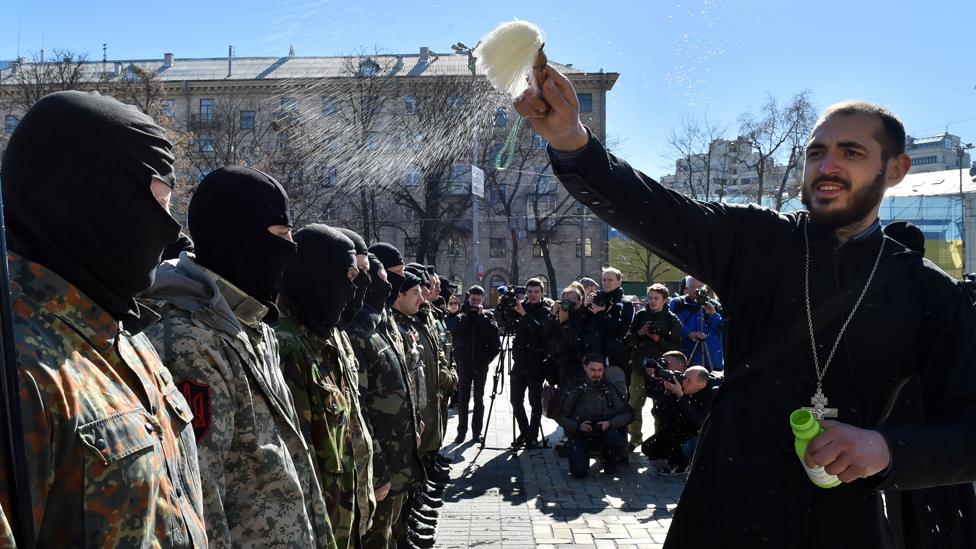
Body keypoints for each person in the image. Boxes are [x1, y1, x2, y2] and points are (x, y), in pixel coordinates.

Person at [516, 66, 976, 547]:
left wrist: (884, 449)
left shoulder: (929, 291)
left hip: (846, 518)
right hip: (728, 503)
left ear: (896, 169)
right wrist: (574, 143)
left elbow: (969, 431)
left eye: (851, 152)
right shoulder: (759, 241)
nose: (827, 165)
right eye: (816, 152)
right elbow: (653, 208)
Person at [0, 90, 206, 547]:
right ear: (95, 198)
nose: (172, 230)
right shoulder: (18, 364)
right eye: (160, 202)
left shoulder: (121, 335)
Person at [142, 166, 334, 547]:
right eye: (281, 237)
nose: (290, 250)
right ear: (239, 239)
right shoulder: (189, 343)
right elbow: (201, 504)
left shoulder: (254, 325)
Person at [276, 225, 376, 549]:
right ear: (316, 275)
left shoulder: (323, 338)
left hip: (342, 525)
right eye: (347, 278)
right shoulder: (286, 347)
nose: (352, 293)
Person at [349, 246, 427, 549]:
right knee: (376, 536)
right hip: (380, 463)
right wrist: (378, 469)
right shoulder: (359, 332)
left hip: (397, 453)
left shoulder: (378, 324)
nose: (386, 287)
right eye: (382, 279)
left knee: (390, 526)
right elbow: (361, 410)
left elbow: (403, 380)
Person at [556, 355, 634, 478]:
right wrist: (577, 426)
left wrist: (610, 423)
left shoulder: (609, 387)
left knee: (614, 437)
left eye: (600, 370)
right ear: (585, 367)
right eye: (593, 370)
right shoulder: (575, 388)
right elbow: (560, 416)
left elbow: (628, 414)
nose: (596, 374)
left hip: (605, 432)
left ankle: (609, 461)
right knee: (578, 472)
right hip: (581, 434)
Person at [626, 283, 683, 449]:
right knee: (634, 404)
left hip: (661, 370)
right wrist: (640, 333)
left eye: (656, 298)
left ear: (664, 300)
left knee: (660, 407)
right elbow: (629, 340)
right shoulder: (641, 315)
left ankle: (660, 439)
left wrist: (658, 339)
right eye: (650, 297)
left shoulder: (672, 319)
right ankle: (635, 438)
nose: (652, 301)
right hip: (639, 367)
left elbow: (677, 348)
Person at [450, 286, 501, 444]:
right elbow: (458, 336)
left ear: (483, 300)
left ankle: (476, 432)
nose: (475, 303)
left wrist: (480, 317)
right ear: (468, 299)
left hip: (480, 364)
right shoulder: (462, 316)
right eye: (473, 300)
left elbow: (494, 340)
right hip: (464, 364)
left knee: (479, 399)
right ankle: (461, 431)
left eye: (478, 301)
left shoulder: (488, 316)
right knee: (463, 399)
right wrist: (464, 316)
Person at [640, 366, 716, 473]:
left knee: (687, 448)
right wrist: (669, 393)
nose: (684, 382)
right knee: (648, 447)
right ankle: (676, 457)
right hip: (682, 431)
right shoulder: (684, 389)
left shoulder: (712, 394)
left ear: (702, 384)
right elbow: (657, 413)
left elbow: (700, 423)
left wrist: (681, 396)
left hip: (702, 434)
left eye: (688, 380)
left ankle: (687, 463)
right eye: (684, 378)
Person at [510, 278, 553, 448]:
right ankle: (525, 432)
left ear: (542, 293)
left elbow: (541, 331)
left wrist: (524, 315)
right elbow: (505, 322)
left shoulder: (546, 310)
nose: (533, 295)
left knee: (535, 402)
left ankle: (533, 436)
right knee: (515, 400)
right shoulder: (520, 306)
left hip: (537, 361)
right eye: (529, 292)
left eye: (536, 292)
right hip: (520, 360)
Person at [582, 267, 635, 379]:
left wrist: (602, 314)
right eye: (604, 280)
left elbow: (622, 331)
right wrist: (584, 307)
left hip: (615, 358)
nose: (606, 283)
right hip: (594, 355)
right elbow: (583, 326)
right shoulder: (595, 300)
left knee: (615, 391)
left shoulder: (625, 303)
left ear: (619, 281)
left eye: (610, 280)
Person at [668, 277, 725, 371]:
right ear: (687, 288)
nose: (697, 290)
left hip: (711, 358)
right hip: (688, 357)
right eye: (693, 286)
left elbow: (722, 328)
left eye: (700, 287)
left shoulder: (715, 305)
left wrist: (713, 314)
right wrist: (689, 334)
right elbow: (674, 323)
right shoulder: (678, 303)